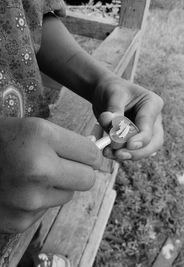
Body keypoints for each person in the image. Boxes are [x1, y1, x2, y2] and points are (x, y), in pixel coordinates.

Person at [0, 1, 164, 266]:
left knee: (30, 226)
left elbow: (26, 15)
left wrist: (102, 81)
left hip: (33, 177)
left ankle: (32, 259)